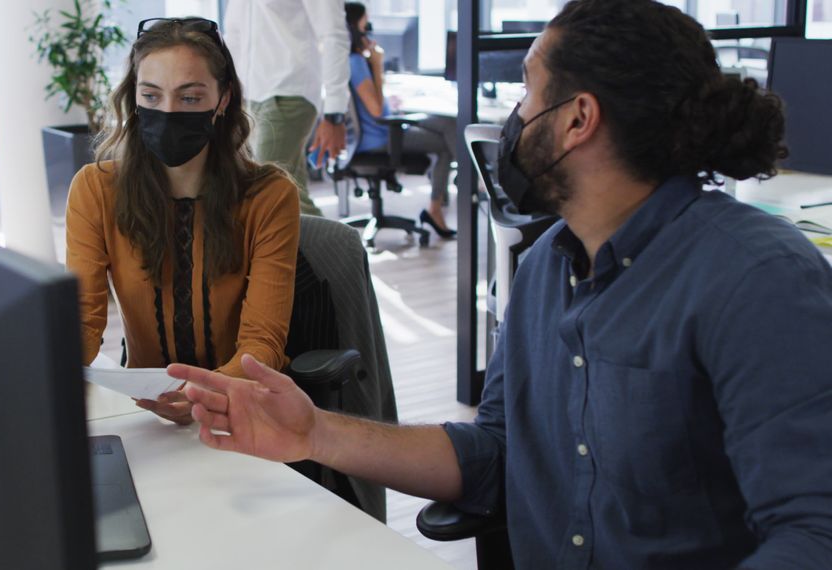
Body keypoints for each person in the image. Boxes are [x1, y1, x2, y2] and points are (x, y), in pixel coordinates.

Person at [173, 1, 832, 568]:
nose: (517, 116)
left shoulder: (756, 280)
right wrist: (315, 433)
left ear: (578, 119)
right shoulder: (548, 265)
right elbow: (496, 453)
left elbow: (814, 535)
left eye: (528, 90)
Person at [65, 18, 301, 426]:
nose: (168, 111)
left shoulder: (270, 196)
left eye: (190, 98)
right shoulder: (96, 190)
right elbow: (83, 321)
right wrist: (40, 370)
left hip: (243, 407)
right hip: (144, 410)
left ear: (223, 99)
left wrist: (205, 394)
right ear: (134, 98)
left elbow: (262, 343)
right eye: (151, 95)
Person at [223, 0, 350, 217]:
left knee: (269, 190)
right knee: (288, 192)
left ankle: (337, 249)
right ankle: (302, 250)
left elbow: (333, 34)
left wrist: (334, 112)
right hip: (250, 97)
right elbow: (233, 35)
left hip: (289, 91)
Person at [344, 2, 458, 238]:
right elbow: (376, 110)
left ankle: (444, 200)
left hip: (385, 128)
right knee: (448, 141)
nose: (370, 31)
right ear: (356, 29)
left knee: (447, 125)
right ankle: (447, 200)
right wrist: (377, 66)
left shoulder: (355, 61)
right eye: (366, 26)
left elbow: (376, 105)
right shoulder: (356, 63)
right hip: (379, 137)